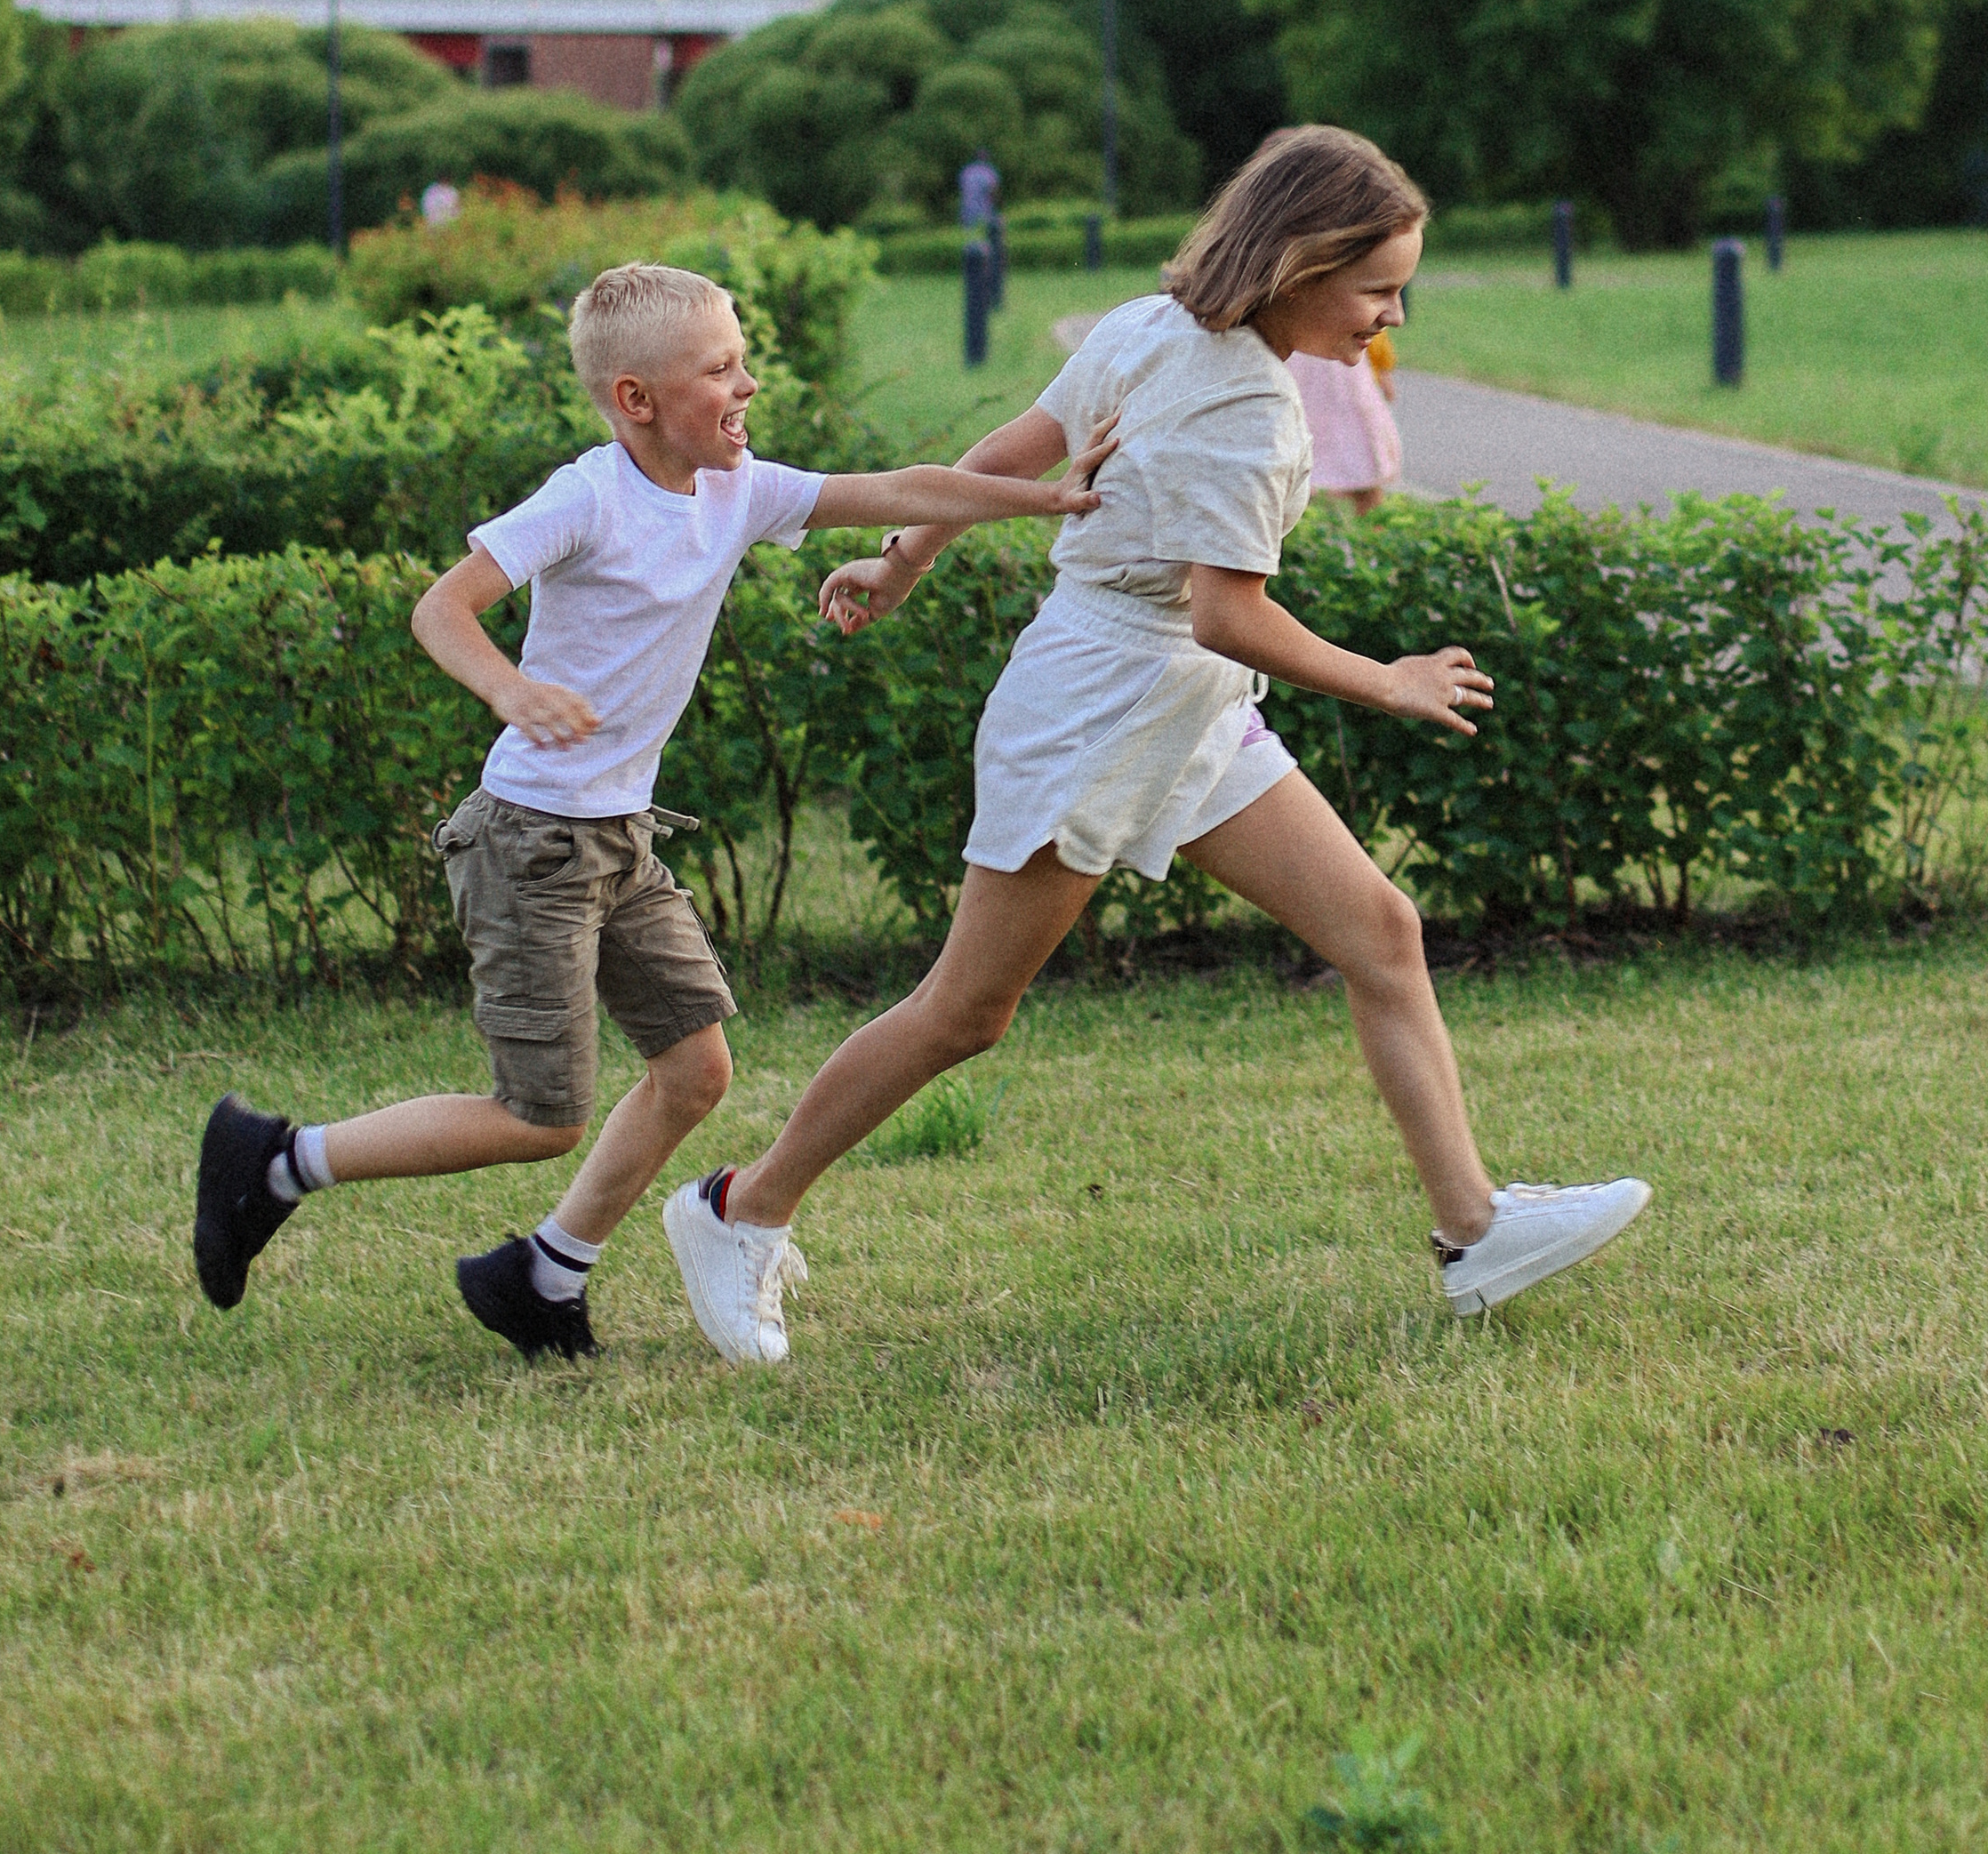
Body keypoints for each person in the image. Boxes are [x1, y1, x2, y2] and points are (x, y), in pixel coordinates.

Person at [665, 126, 1649, 1368]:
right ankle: (735, 1212)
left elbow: (1009, 455)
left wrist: (904, 561)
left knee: (1380, 932)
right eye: (1376, 288)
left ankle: (1474, 1233)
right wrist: (1387, 683)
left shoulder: (1149, 324)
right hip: (1105, 706)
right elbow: (1224, 609)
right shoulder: (1243, 406)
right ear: (1297, 263)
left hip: (1184, 700)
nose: (1393, 314)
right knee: (967, 1012)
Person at [190, 261, 1115, 1361]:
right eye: (721, 368)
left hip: (618, 837)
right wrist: (511, 688)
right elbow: (442, 608)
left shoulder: (738, 491)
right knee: (540, 1117)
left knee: (697, 1070)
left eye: (742, 360)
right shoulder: (587, 497)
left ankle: (543, 1273)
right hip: (531, 843)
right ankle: (277, 1160)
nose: (748, 384)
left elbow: (901, 487)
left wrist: (1047, 497)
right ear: (637, 400)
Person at [1287, 325, 1402, 513]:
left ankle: (1370, 529)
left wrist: (1383, 374)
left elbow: (1377, 344)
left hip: (1347, 406)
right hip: (1316, 406)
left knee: (1364, 474)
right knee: (1301, 475)